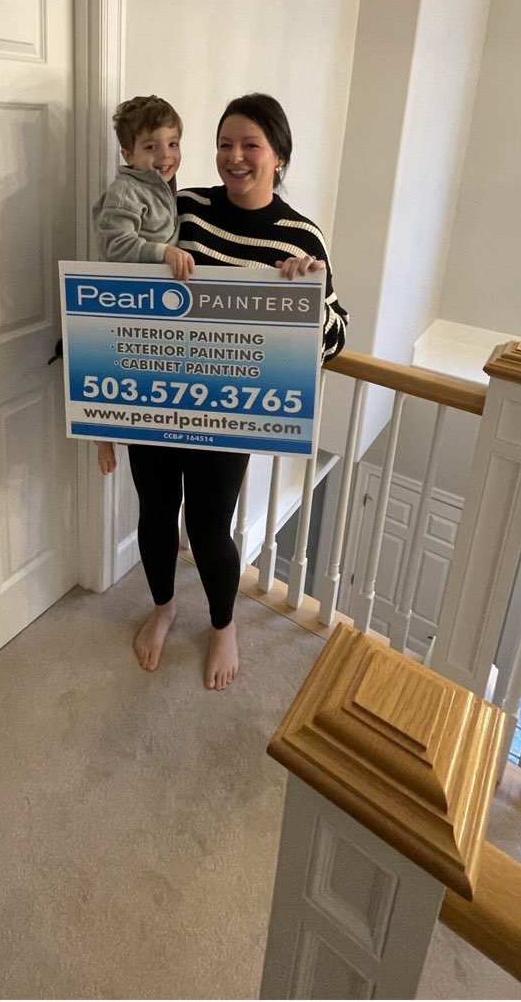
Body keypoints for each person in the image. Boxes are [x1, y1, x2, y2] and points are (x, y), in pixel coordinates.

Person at [130, 92, 347, 690]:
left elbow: (333, 342)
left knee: (207, 527)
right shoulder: (187, 206)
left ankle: (223, 623)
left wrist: (314, 293)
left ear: (278, 155)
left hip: (228, 413)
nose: (235, 156)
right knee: (153, 513)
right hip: (156, 395)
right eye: (225, 144)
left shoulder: (300, 237)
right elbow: (133, 272)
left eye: (250, 144)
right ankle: (164, 605)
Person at [91, 95, 195, 476]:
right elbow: (116, 243)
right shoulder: (126, 190)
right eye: (151, 147)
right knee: (114, 369)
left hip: (152, 300)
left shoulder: (162, 184)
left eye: (173, 143)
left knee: (141, 369)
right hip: (122, 293)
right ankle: (102, 432)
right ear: (128, 153)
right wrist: (164, 252)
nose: (165, 154)